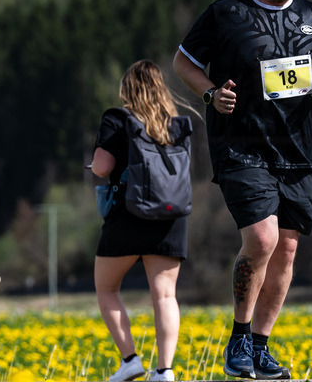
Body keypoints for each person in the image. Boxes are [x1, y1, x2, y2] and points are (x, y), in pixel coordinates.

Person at [172, 0, 312, 380]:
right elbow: (183, 62)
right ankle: (239, 337)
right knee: (263, 240)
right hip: (241, 148)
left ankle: (261, 346)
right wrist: (211, 94)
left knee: (286, 251)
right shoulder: (226, 13)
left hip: (299, 151)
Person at [91, 60, 192, 382]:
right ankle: (165, 370)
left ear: (127, 89)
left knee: (107, 288)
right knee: (164, 295)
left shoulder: (118, 118)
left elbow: (102, 167)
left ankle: (130, 360)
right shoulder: (175, 124)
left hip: (129, 215)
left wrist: (94, 164)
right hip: (170, 217)